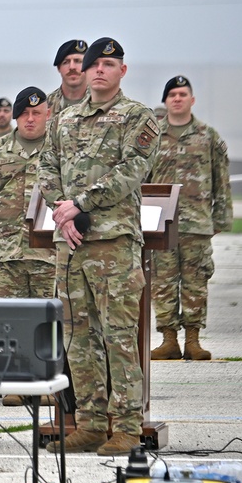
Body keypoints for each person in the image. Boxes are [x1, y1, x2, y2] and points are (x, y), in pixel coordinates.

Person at [39, 37, 158, 456]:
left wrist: (80, 204)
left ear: (122, 71)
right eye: (95, 65)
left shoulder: (137, 116)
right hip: (70, 244)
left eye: (110, 64)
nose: (100, 70)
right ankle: (89, 423)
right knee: (77, 337)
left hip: (114, 243)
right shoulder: (65, 119)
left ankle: (126, 426)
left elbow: (133, 169)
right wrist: (61, 210)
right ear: (86, 73)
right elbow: (47, 167)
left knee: (118, 336)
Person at [0, 87, 58, 407]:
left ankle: (46, 383)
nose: (31, 119)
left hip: (48, 251)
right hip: (6, 250)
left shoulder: (59, 150)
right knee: (9, 319)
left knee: (46, 319)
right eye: (25, 114)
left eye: (37, 113)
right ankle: (14, 382)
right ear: (16, 117)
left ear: (47, 114)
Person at [147, 75, 233, 361]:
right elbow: (141, 180)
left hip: (197, 223)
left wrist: (220, 220)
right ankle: (169, 340)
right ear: (166, 101)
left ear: (192, 100)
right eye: (172, 94)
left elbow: (221, 179)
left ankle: (193, 340)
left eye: (183, 94)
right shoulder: (151, 136)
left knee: (196, 281)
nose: (177, 98)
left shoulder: (208, 136)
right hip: (161, 224)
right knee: (163, 282)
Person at [48, 39, 89, 116]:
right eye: (66, 62)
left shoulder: (102, 102)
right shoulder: (44, 105)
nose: (72, 67)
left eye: (77, 61)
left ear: (88, 65)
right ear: (59, 68)